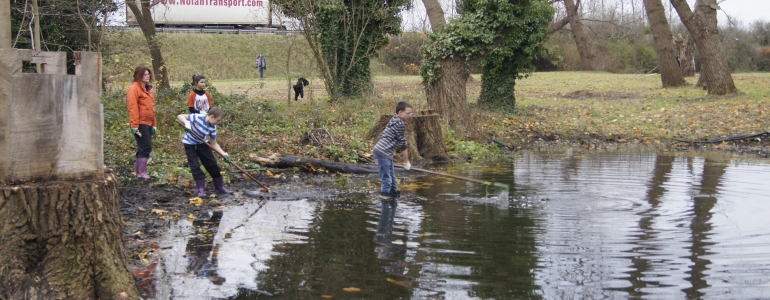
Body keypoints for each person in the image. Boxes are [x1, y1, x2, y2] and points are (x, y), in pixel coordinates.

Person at [177, 107, 233, 197]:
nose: (218, 123)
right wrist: (187, 123)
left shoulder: (213, 127)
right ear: (211, 117)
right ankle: (201, 190)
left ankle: (219, 188)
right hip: (190, 145)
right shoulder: (198, 117)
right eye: (217, 120)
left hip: (202, 144)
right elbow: (180, 116)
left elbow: (214, 143)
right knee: (195, 166)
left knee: (212, 164)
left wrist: (224, 154)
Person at [372, 102, 412, 200]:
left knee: (393, 180)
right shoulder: (400, 123)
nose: (410, 116)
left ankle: (394, 196)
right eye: (408, 113)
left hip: (386, 154)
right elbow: (403, 143)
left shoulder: (394, 119)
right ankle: (385, 198)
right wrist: (406, 162)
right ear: (400, 112)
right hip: (382, 153)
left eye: (411, 113)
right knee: (387, 179)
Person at [126, 66, 157, 180]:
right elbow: (132, 108)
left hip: (148, 122)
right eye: (145, 74)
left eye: (148, 74)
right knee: (146, 146)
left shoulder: (148, 90)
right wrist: (134, 125)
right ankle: (141, 172)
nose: (147, 76)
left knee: (144, 147)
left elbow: (151, 108)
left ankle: (140, 172)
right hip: (140, 123)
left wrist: (154, 124)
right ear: (138, 75)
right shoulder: (134, 89)